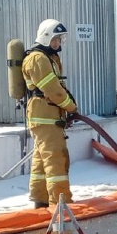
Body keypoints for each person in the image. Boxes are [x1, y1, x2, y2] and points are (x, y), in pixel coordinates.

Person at [22, 19, 78, 208]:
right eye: (55, 39)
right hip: (45, 117)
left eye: (60, 39)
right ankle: (60, 203)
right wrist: (71, 107)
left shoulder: (47, 57)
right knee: (56, 159)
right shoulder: (38, 59)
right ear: (45, 37)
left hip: (47, 116)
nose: (58, 43)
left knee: (41, 159)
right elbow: (53, 90)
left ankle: (41, 199)